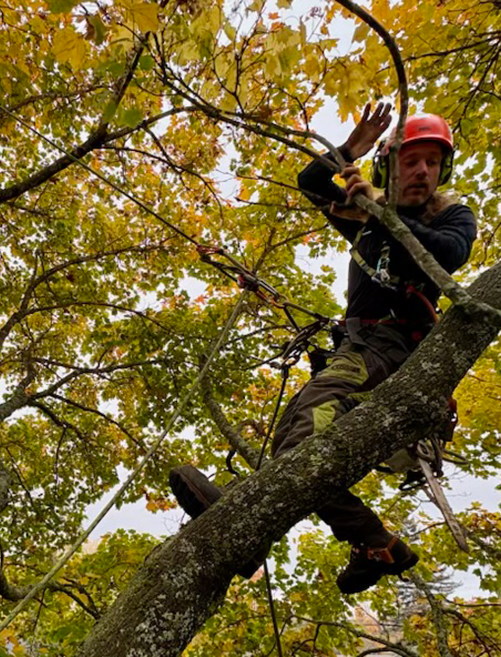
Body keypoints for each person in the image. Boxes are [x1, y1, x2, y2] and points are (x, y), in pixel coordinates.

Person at [169, 103, 477, 594]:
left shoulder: (449, 215)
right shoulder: (368, 222)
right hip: (357, 346)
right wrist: (351, 150)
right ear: (388, 167)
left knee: (310, 427)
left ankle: (246, 528)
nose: (422, 171)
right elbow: (312, 182)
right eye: (410, 161)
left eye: (432, 163)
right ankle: (375, 543)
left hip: (391, 344)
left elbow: (449, 254)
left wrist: (379, 212)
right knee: (293, 434)